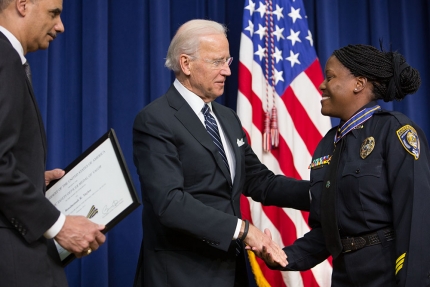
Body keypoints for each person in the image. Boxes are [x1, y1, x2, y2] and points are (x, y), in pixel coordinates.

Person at [132, 19, 311, 287]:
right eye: (217, 61)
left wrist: (321, 194)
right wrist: (244, 230)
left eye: (228, 61)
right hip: (181, 274)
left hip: (230, 271)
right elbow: (169, 203)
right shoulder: (155, 120)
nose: (227, 71)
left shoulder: (227, 118)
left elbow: (258, 180)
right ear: (186, 64)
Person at [259, 44, 430, 286]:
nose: (321, 85)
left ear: (358, 83)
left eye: (330, 77)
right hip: (344, 278)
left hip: (387, 277)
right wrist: (284, 257)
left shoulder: (394, 131)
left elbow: (415, 222)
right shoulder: (328, 144)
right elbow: (327, 232)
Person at [0, 0, 106, 286]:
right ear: (23, 5)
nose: (60, 26)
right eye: (53, 13)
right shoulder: (3, 57)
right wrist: (58, 224)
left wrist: (33, 178)